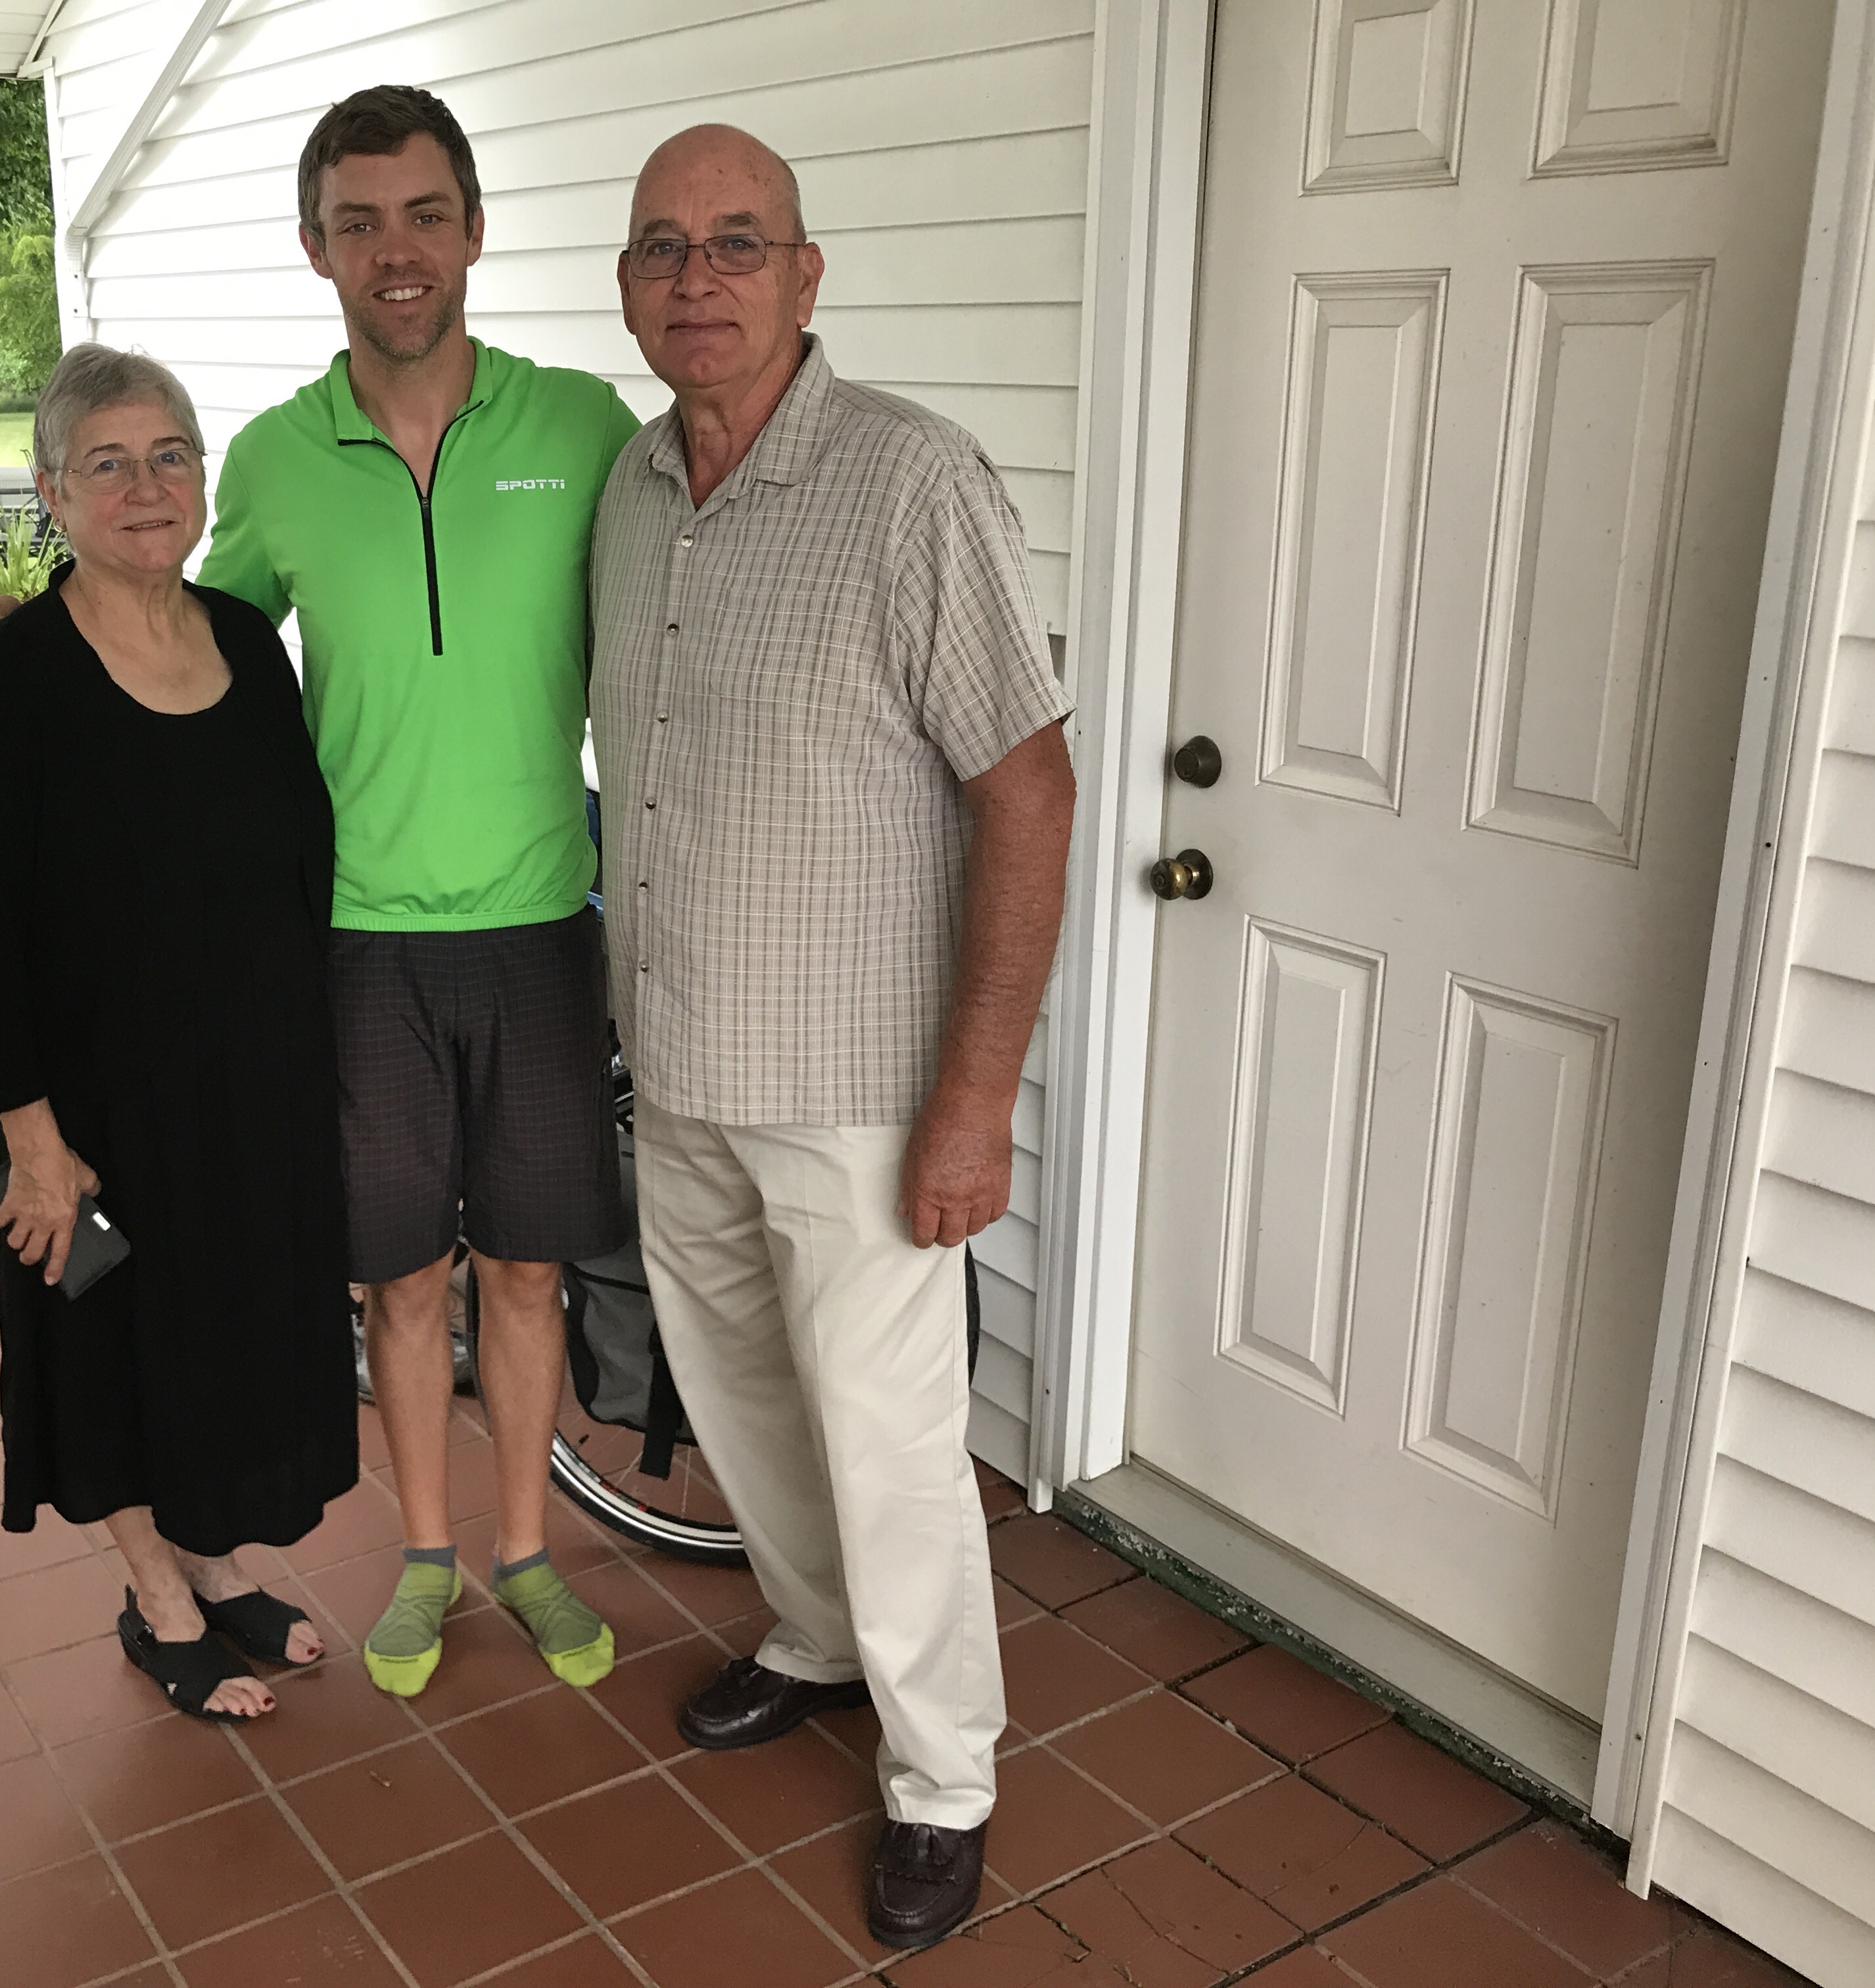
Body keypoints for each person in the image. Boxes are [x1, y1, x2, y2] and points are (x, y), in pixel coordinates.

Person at [0, 87, 642, 1701]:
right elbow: (153, 620)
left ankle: (525, 1553)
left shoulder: (585, 430)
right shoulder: (272, 459)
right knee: (395, 1279)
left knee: (525, 1273)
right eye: (356, 221)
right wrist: (14, 633)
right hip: (358, 953)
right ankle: (418, 1557)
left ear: (473, 227)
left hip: (540, 932)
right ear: (317, 246)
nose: (393, 253)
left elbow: (670, 630)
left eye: (423, 215)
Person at [590, 126, 1078, 1948]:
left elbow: (1030, 795)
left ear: (808, 273)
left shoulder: (909, 483)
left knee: (888, 1438)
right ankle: (808, 1636)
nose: (696, 279)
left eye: (736, 244)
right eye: (662, 248)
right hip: (685, 1068)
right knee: (740, 1401)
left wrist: (976, 1101)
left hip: (866, 1096)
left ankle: (945, 1771)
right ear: (627, 285)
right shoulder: (632, 491)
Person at [0, 344, 357, 1722]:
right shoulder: (16, 689)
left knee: (216, 1341)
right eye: (105, 463)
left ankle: (212, 1560)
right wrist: (32, 1146)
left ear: (204, 479)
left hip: (240, 1097)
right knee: (106, 1344)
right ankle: (154, 1596)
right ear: (53, 491)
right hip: (87, 1118)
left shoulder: (243, 643)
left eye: (169, 454)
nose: (144, 485)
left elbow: (295, 868)